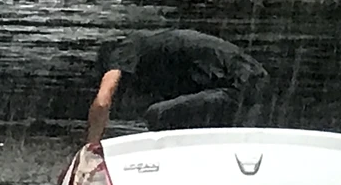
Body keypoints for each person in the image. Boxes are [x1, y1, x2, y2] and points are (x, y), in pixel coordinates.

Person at [84, 29, 270, 144]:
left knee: (157, 115)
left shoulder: (121, 50)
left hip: (241, 83)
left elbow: (102, 102)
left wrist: (89, 150)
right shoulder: (155, 55)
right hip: (249, 79)